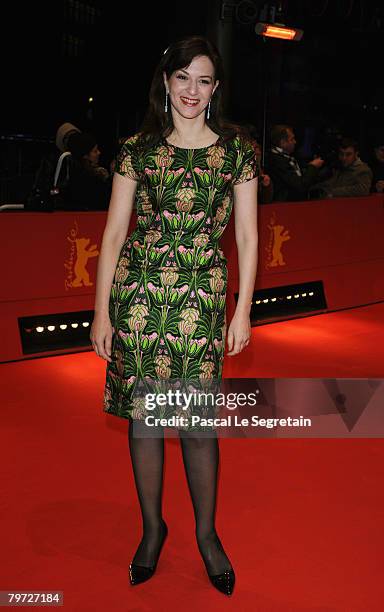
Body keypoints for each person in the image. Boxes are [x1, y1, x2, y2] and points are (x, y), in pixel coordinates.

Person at [90, 35, 259, 595]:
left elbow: (248, 237)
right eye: (182, 77)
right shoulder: (137, 149)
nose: (192, 89)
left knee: (195, 425)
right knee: (145, 420)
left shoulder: (237, 150)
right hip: (140, 298)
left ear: (215, 89)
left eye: (203, 79)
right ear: (166, 83)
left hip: (203, 297)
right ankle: (152, 531)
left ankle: (207, 535)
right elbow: (114, 235)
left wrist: (243, 312)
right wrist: (101, 314)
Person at [266, 124, 324, 201]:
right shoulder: (277, 160)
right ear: (283, 142)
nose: (295, 142)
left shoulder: (285, 157)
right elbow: (300, 186)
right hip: (285, 206)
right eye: (292, 139)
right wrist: (313, 167)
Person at [66, 131, 112, 210]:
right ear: (85, 156)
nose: (99, 153)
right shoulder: (89, 179)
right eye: (95, 151)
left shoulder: (72, 173)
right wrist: (109, 179)